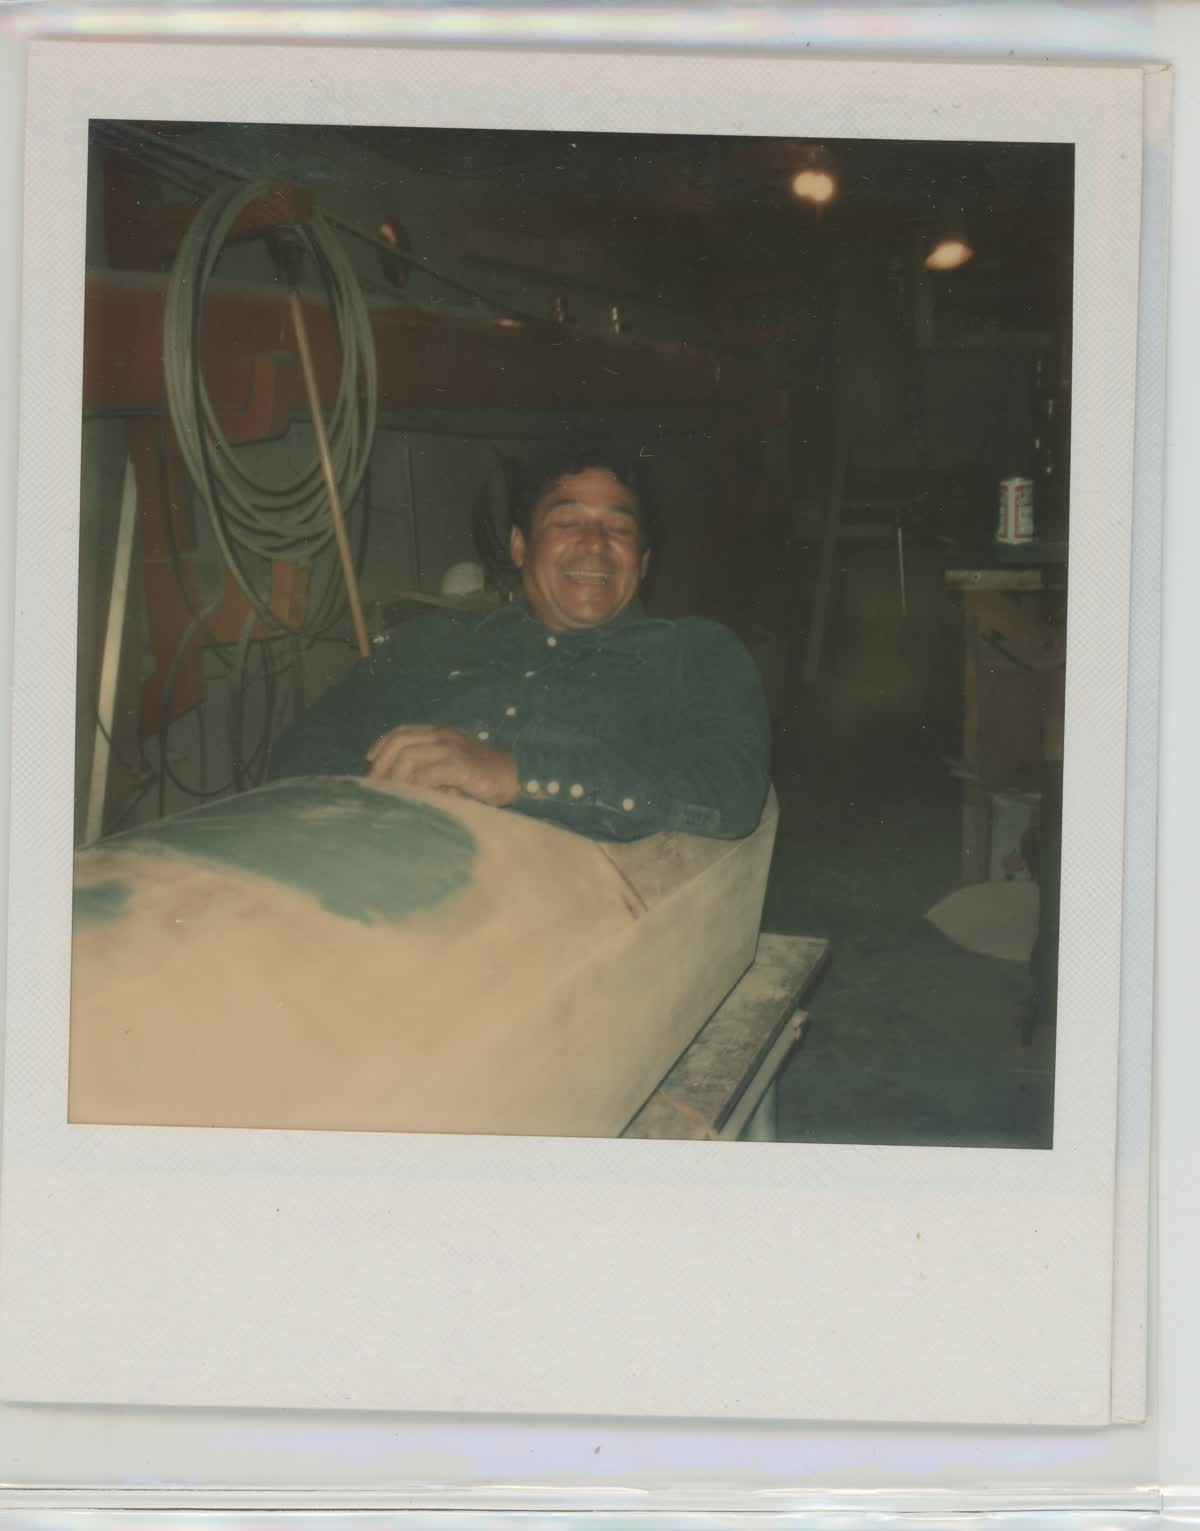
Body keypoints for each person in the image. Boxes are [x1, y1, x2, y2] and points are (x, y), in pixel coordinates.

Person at [268, 445, 770, 842]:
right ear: (519, 546)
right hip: (372, 853)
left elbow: (728, 790)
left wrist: (515, 775)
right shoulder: (430, 641)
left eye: (618, 528)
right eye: (567, 523)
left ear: (642, 564)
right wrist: (392, 785)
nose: (594, 543)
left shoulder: (693, 651)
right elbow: (302, 746)